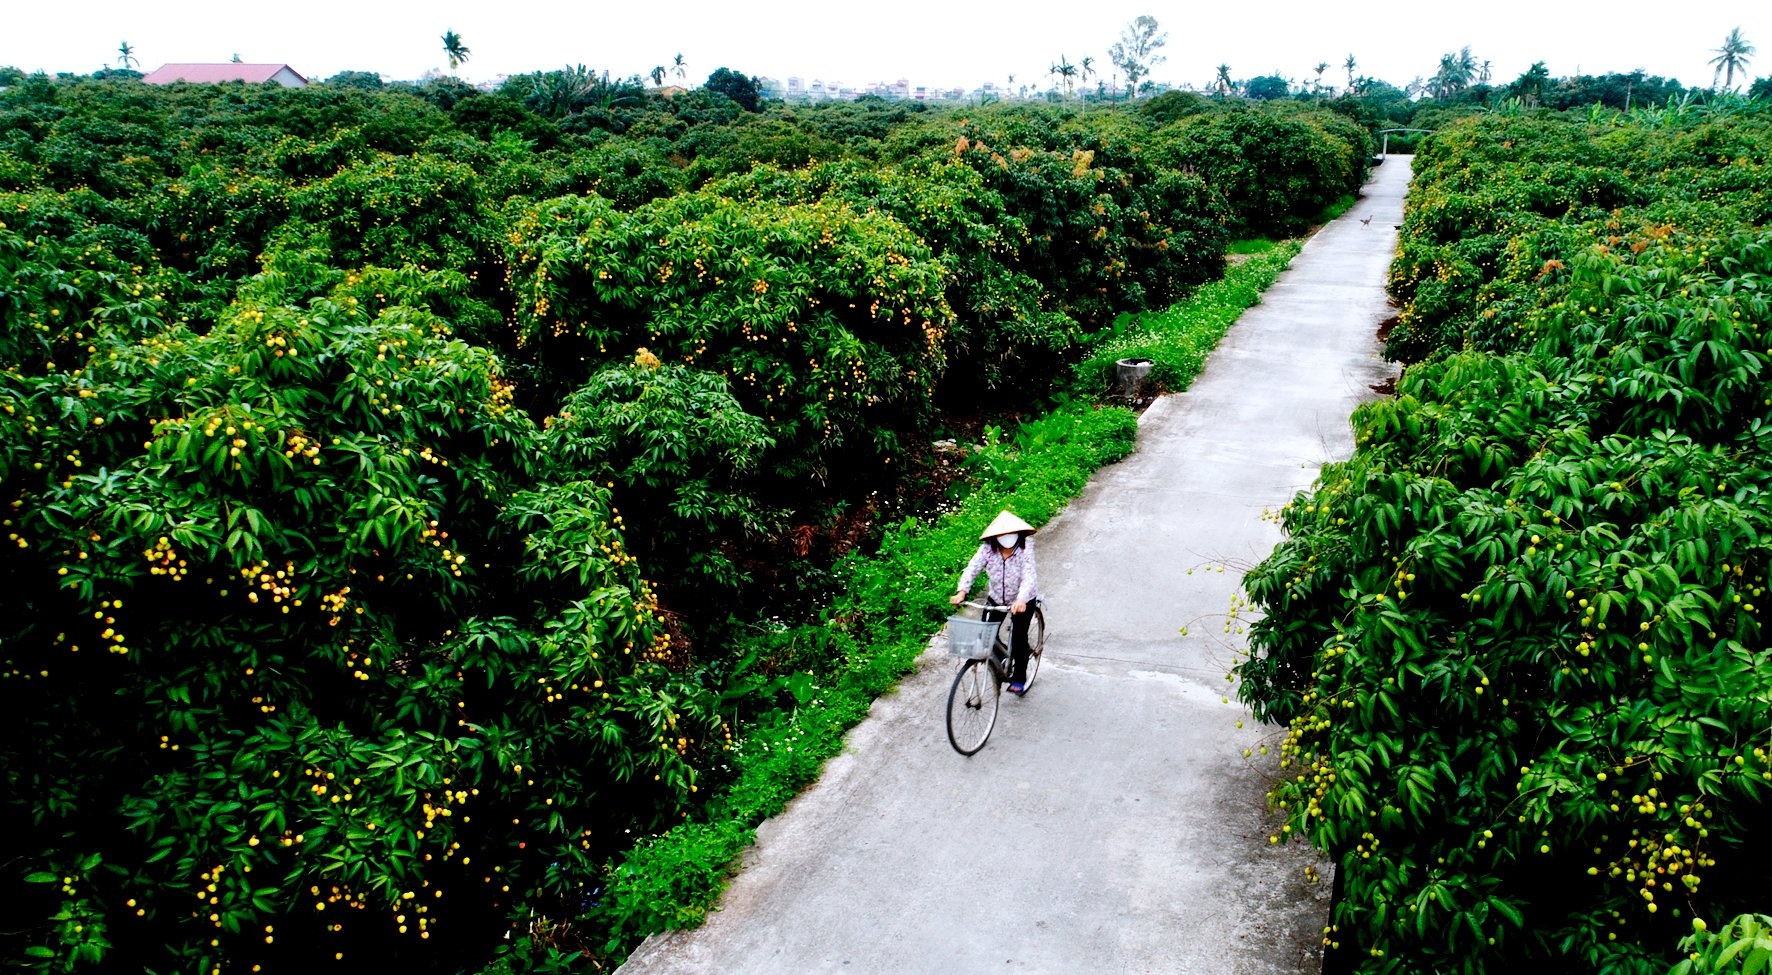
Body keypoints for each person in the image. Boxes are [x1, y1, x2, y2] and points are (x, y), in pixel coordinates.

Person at [950, 510, 1040, 695]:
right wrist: (962, 591)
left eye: (1011, 534)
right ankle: (1004, 659)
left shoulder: (1025, 549)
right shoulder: (988, 550)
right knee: (986, 636)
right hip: (997, 598)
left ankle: (1019, 678)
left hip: (1022, 600)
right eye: (1002, 534)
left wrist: (1022, 599)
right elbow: (972, 568)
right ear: (995, 537)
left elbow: (1029, 576)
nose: (1006, 538)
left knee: (1019, 638)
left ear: (1019, 534)